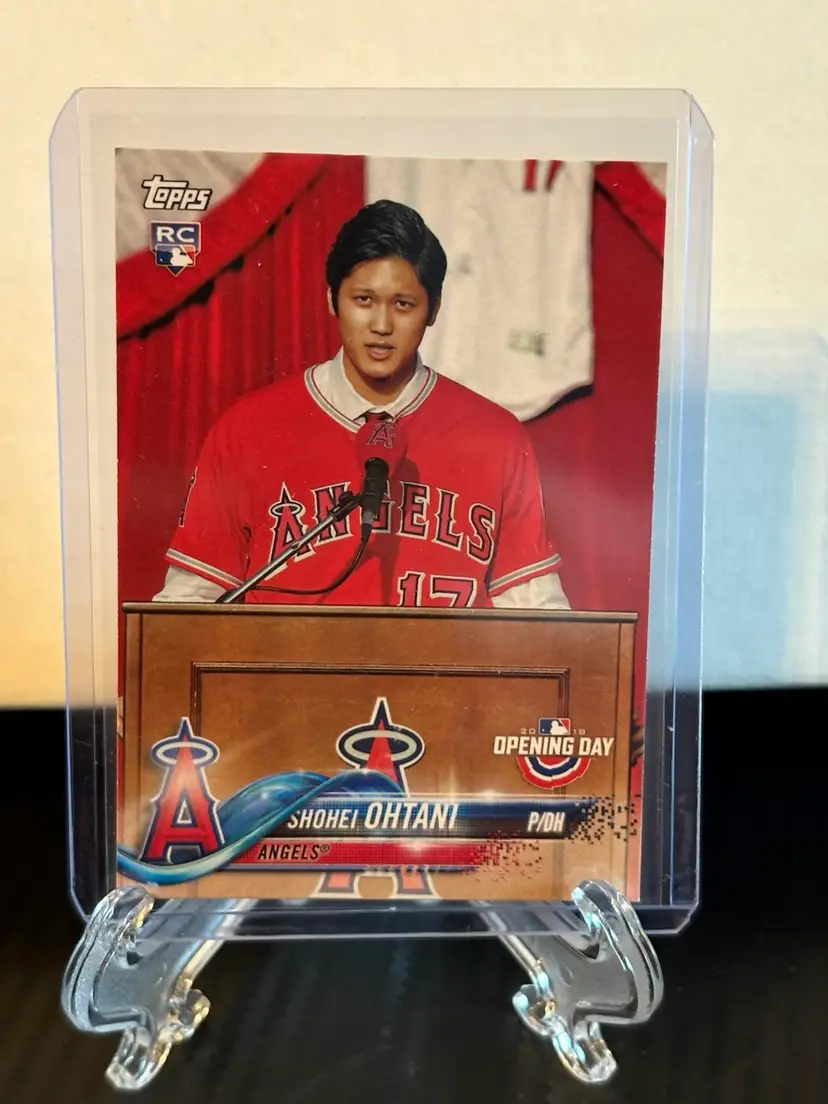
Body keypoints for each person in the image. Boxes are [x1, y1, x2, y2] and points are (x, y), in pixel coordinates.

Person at [154, 199, 569, 611]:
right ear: (332, 299)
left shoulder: (495, 438)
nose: (381, 326)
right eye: (364, 300)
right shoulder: (248, 429)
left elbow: (539, 613)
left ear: (434, 309)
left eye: (403, 304)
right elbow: (189, 603)